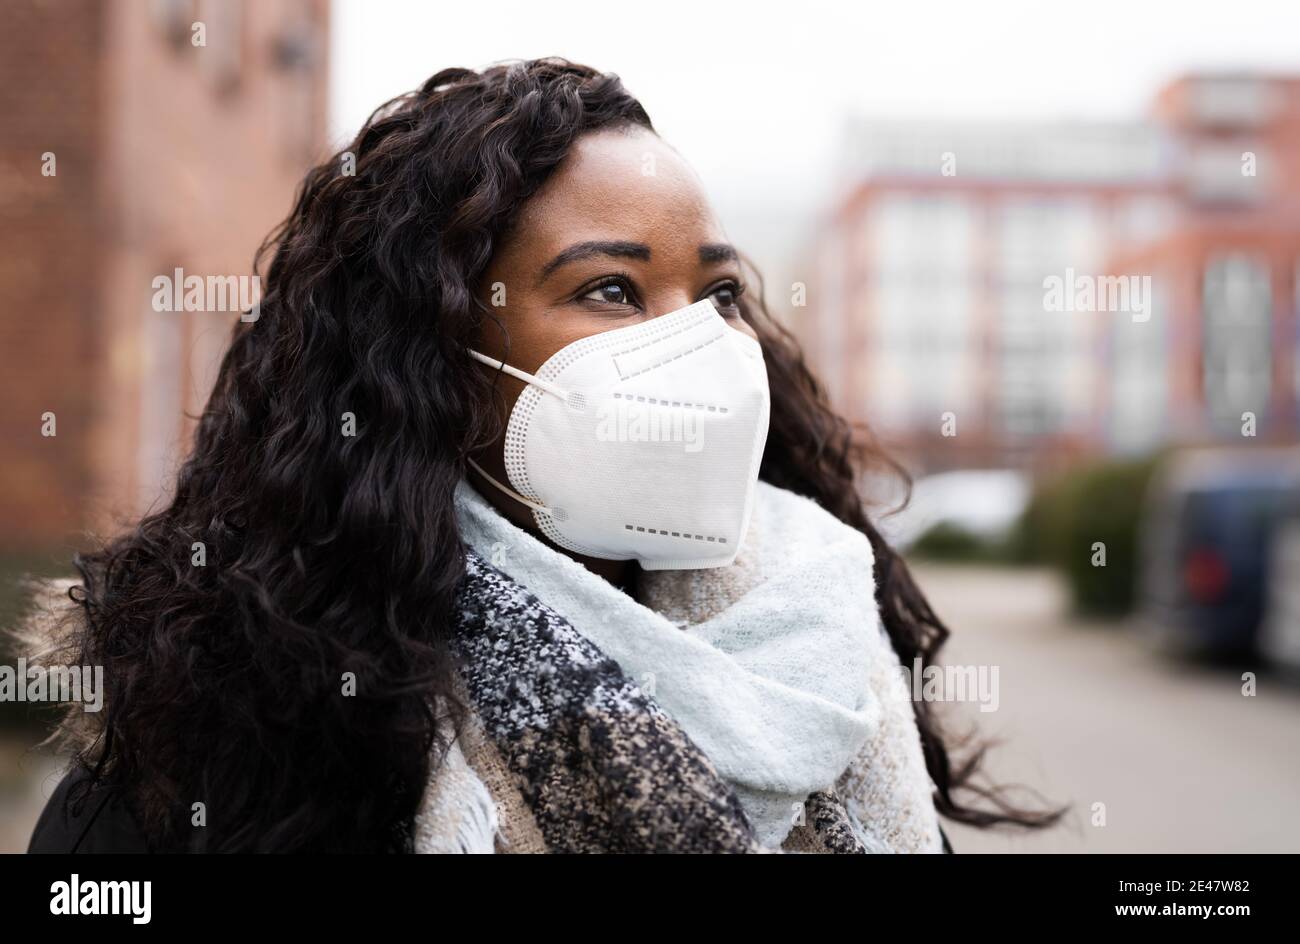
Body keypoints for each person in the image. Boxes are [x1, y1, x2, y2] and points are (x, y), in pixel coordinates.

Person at [22, 58, 1062, 853]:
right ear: (429, 351)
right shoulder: (234, 740)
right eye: (610, 288)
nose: (696, 339)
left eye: (716, 295)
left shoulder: (828, 640)